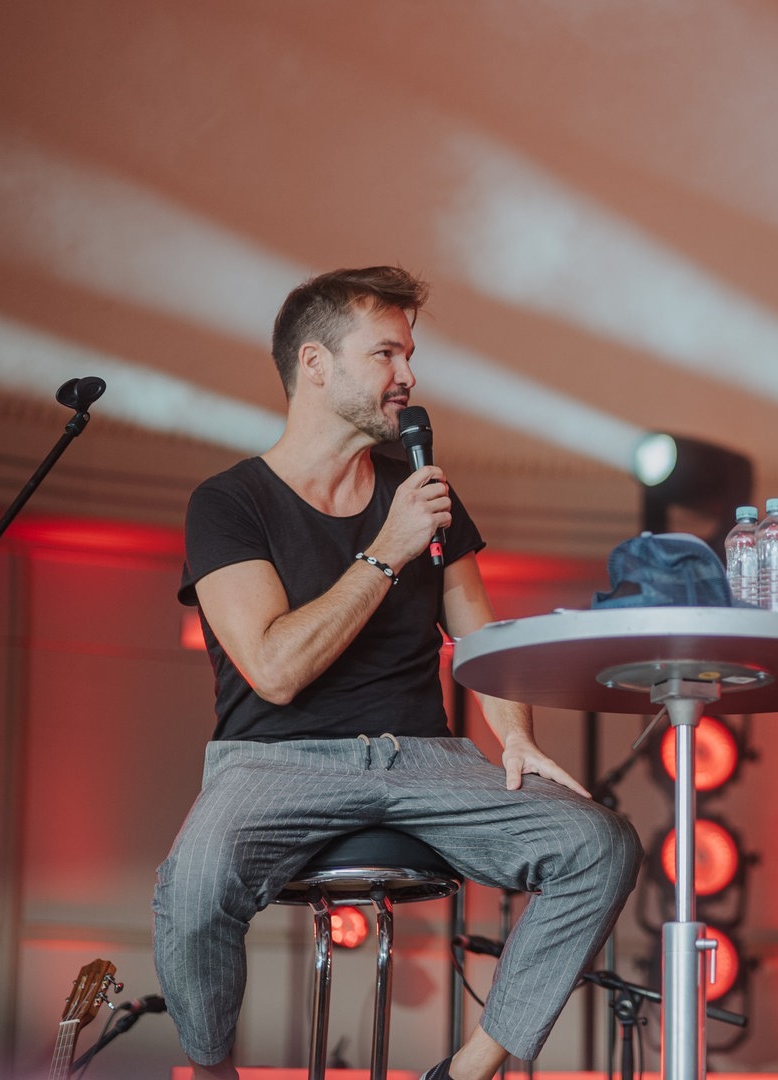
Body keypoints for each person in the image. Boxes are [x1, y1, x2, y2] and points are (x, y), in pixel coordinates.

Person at [155, 266, 641, 1080]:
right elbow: (274, 670)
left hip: (423, 757)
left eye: (408, 355)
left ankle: (469, 1070)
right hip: (275, 761)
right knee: (194, 882)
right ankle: (212, 1072)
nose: (408, 377)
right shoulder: (230, 502)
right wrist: (386, 551)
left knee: (600, 843)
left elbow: (480, 642)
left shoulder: (423, 494)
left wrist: (516, 736)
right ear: (315, 364)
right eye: (385, 353)